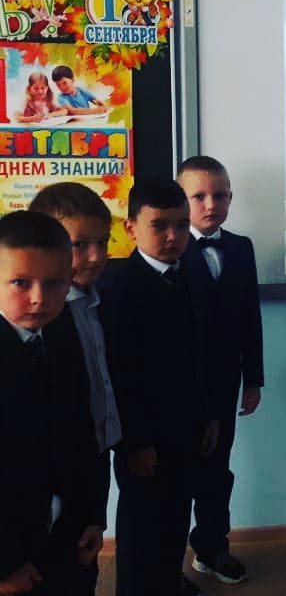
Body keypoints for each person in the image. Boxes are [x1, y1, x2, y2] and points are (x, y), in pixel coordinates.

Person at [98, 179, 224, 596]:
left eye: (181, 226)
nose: (173, 236)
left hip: (188, 427)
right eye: (159, 226)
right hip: (144, 437)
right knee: (141, 524)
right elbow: (120, 372)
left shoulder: (194, 276)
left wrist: (210, 416)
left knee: (176, 516)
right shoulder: (118, 286)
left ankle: (170, 581)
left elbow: (203, 354)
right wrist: (135, 442)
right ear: (131, 227)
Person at [28, 183, 122, 596]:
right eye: (79, 244)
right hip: (43, 488)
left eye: (103, 242)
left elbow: (94, 418)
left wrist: (95, 514)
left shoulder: (94, 302)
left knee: (81, 573)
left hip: (89, 465)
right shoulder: (39, 319)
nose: (96, 256)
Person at [178, 156, 263, 585]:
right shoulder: (169, 248)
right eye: (199, 196)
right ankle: (164, 564)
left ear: (231, 198)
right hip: (178, 384)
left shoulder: (242, 247)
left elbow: (250, 317)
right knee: (177, 474)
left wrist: (254, 378)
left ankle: (212, 548)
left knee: (217, 470)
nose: (211, 204)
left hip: (225, 381)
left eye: (220, 195)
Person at [0, 211, 90, 596]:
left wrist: (91, 514)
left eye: (55, 283)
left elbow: (82, 427)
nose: (39, 298)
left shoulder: (63, 329)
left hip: (64, 534)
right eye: (21, 283)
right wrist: (3, 565)